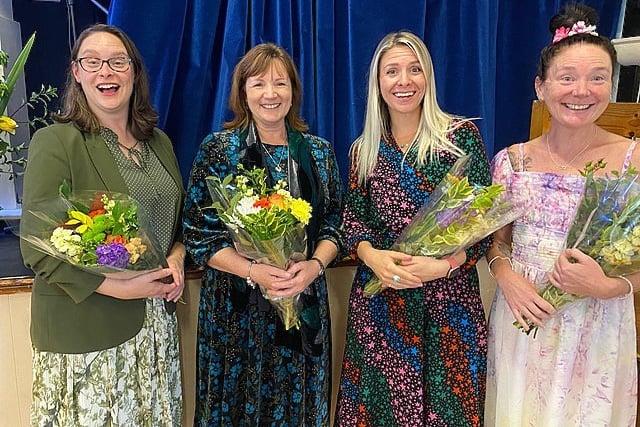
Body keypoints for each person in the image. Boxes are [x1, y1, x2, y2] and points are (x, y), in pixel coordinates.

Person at [20, 24, 185, 426]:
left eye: (116, 62)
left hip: (155, 327)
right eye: (92, 62)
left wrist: (177, 257)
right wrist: (121, 288)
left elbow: (173, 226)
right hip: (87, 333)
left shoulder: (158, 142)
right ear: (77, 73)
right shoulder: (57, 141)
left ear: (134, 72)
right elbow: (36, 245)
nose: (105, 72)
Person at [484, 4, 638, 425]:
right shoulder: (511, 162)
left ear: (612, 84)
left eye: (597, 78)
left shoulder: (633, 160)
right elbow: (497, 242)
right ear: (541, 86)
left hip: (598, 321)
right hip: (524, 314)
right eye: (567, 78)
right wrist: (506, 276)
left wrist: (612, 286)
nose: (581, 91)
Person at [334, 31, 491, 427]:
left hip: (448, 307)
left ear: (428, 77)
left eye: (414, 69)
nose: (404, 81)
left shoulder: (459, 138)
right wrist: (372, 257)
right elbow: (353, 221)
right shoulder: (363, 149)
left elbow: (482, 223)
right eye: (392, 71)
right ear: (378, 82)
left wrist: (446, 265)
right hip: (382, 305)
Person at [182, 43, 344, 426]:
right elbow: (198, 234)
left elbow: (336, 224)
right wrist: (253, 270)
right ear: (242, 92)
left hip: (302, 302)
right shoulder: (220, 150)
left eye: (280, 83)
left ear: (294, 92)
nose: (270, 94)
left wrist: (315, 266)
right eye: (258, 84)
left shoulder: (318, 153)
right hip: (237, 312)